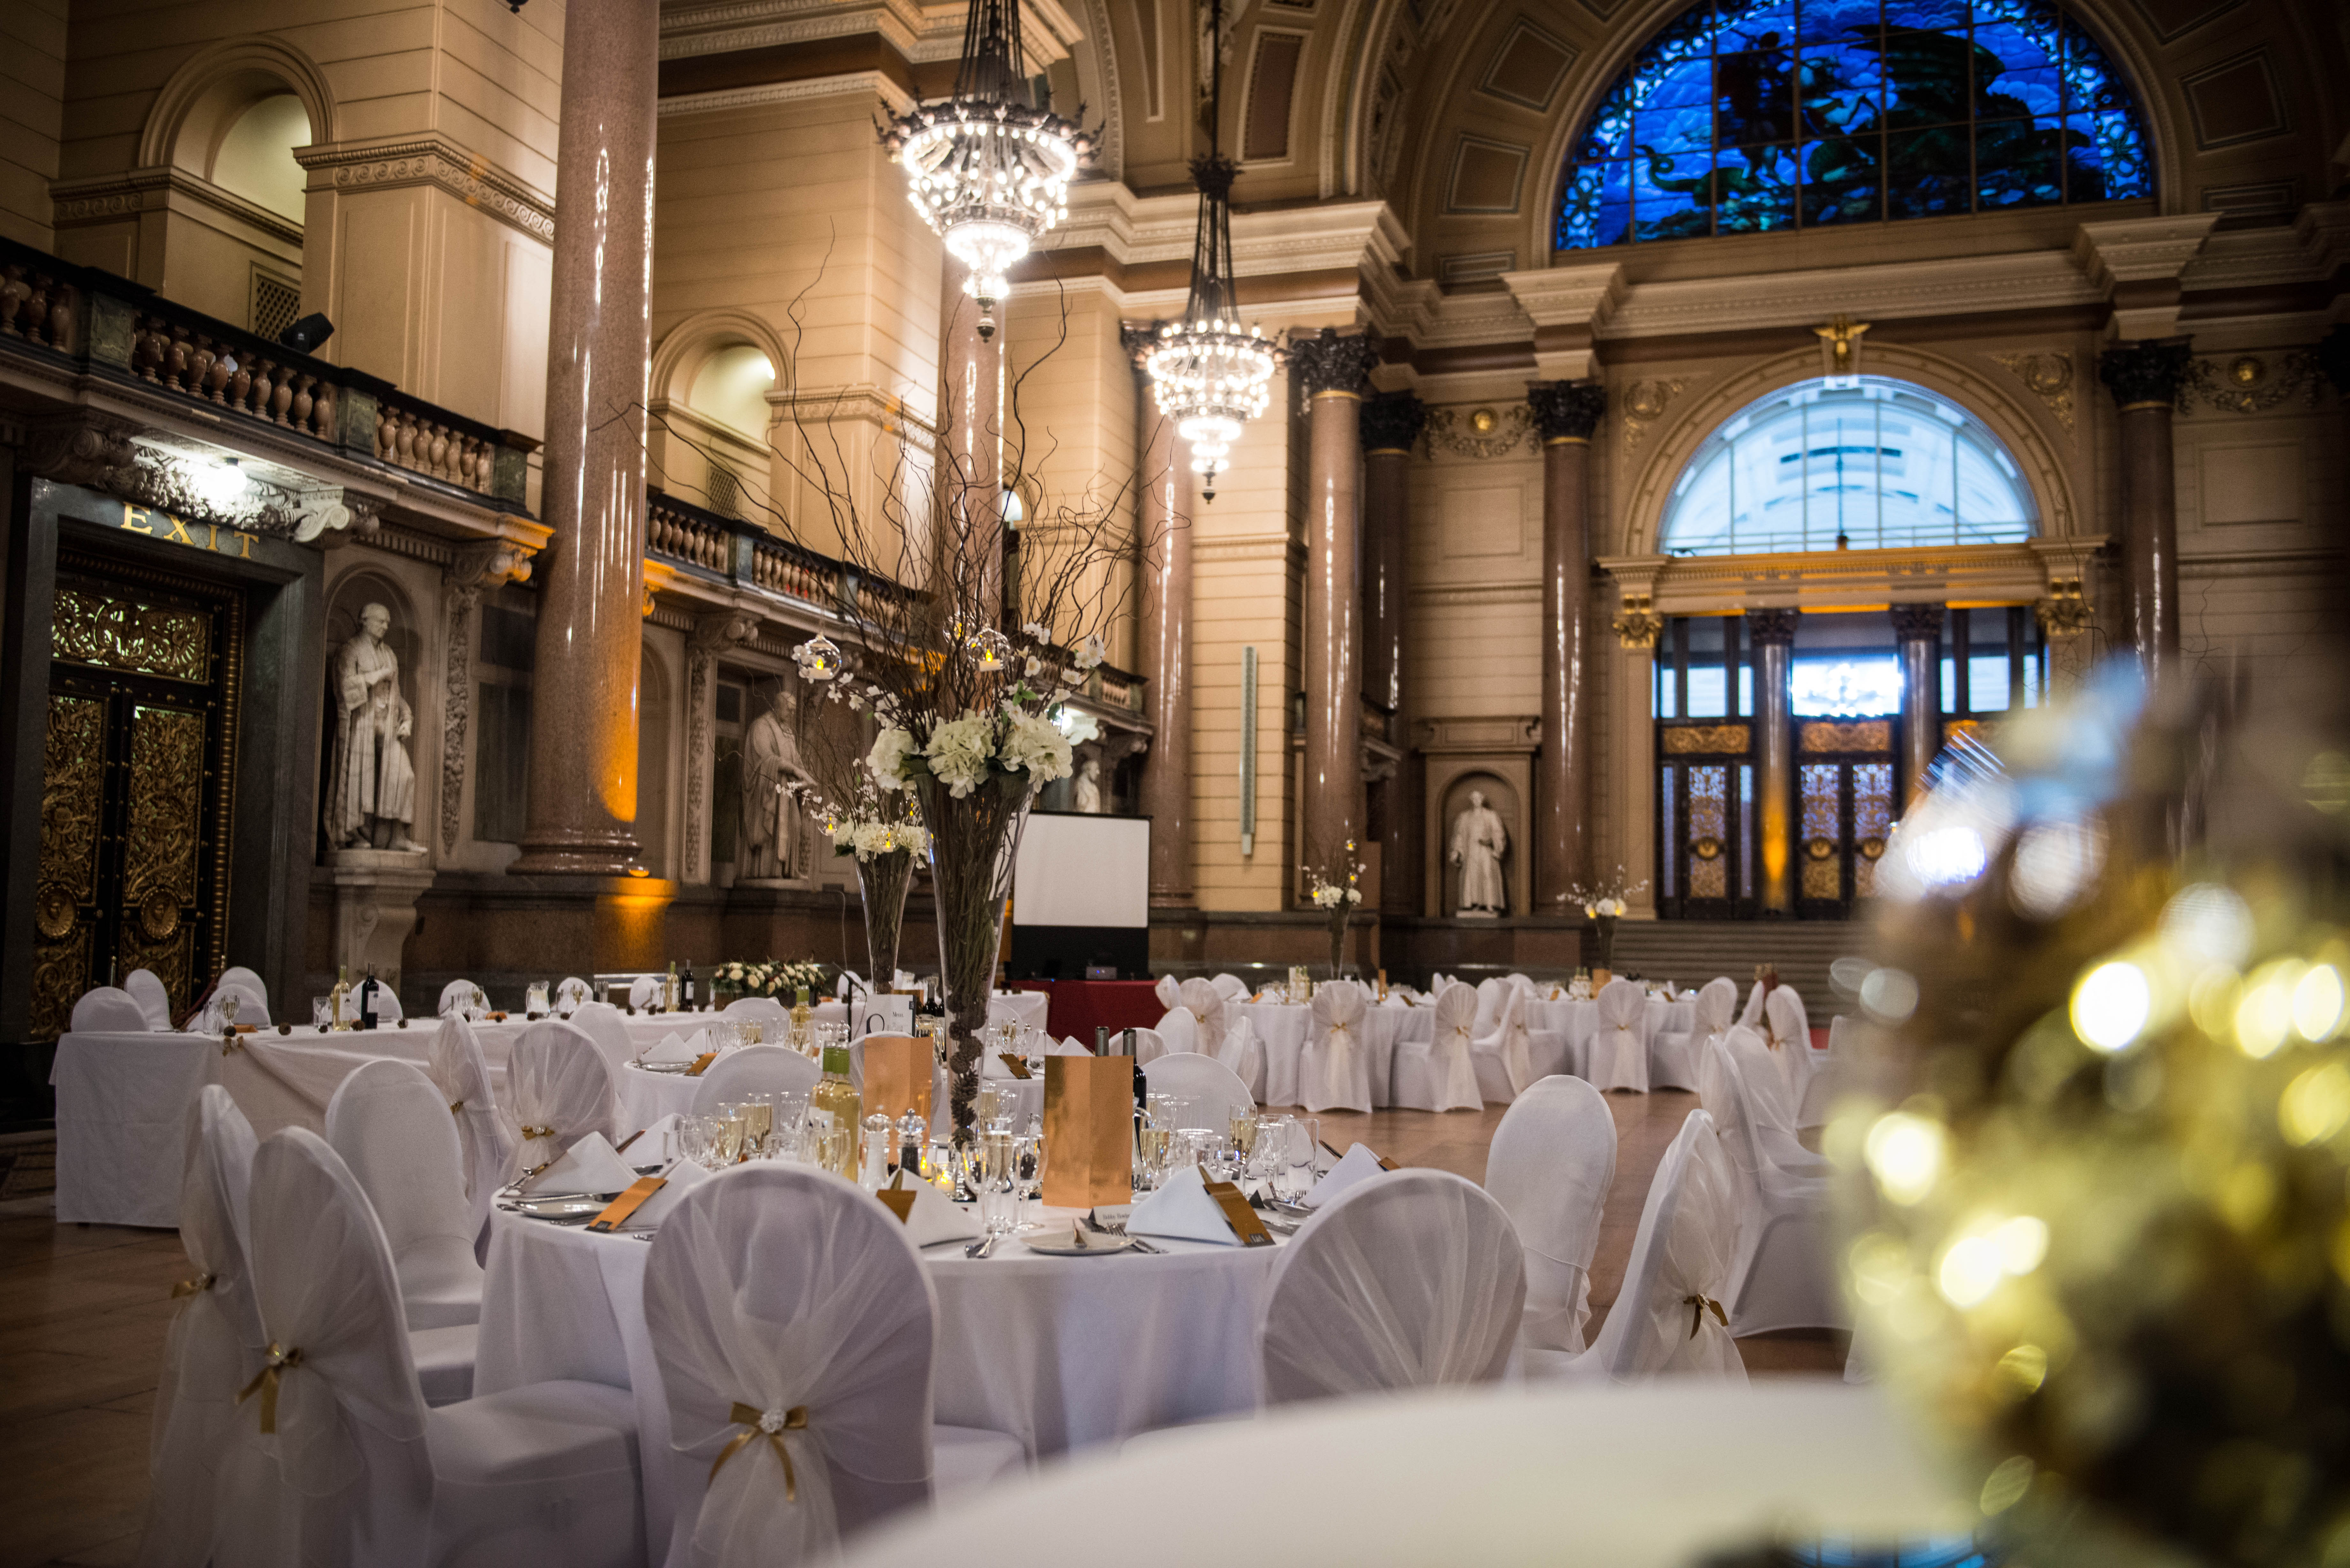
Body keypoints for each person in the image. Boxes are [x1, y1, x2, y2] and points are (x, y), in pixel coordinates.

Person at [324, 602, 422, 851]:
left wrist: (407, 719)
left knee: (405, 776)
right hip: (362, 726)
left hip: (388, 728)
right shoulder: (350, 650)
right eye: (381, 621)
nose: (386, 626)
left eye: (388, 622)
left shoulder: (390, 654)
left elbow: (396, 694)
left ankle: (398, 836)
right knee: (361, 782)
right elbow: (345, 689)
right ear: (364, 621)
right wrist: (377, 676)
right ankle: (355, 834)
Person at [741, 684, 813, 879]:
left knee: (795, 827)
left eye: (794, 710)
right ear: (777, 706)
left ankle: (789, 869)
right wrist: (794, 770)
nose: (791, 714)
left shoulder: (788, 732)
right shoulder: (761, 726)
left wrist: (805, 777)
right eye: (789, 709)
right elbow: (765, 758)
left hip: (788, 793)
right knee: (773, 829)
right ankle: (769, 872)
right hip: (769, 791)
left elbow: (796, 761)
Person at [1449, 789, 1508, 916]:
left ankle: (1490, 904)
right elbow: (1459, 836)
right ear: (1472, 800)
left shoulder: (1491, 815)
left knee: (1487, 874)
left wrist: (1491, 842)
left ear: (1483, 799)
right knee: (1472, 876)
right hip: (1471, 852)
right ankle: (1474, 904)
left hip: (1486, 851)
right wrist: (1457, 851)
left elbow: (1499, 834)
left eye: (1479, 798)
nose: (1477, 801)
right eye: (1474, 799)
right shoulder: (1464, 817)